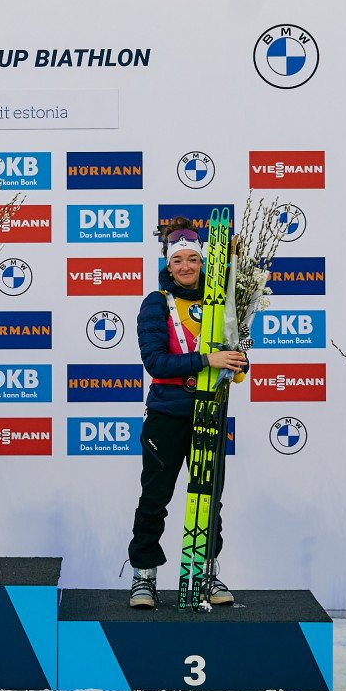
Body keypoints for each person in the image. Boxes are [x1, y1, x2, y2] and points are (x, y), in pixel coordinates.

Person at [126, 222, 246, 608]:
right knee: (155, 498)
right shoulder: (157, 303)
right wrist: (208, 360)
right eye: (178, 260)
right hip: (167, 414)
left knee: (210, 500)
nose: (186, 267)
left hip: (210, 412)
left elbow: (237, 348)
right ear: (168, 263)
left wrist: (237, 361)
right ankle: (143, 577)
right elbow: (156, 362)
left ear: (203, 262)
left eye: (193, 259)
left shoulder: (222, 302)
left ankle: (206, 574)